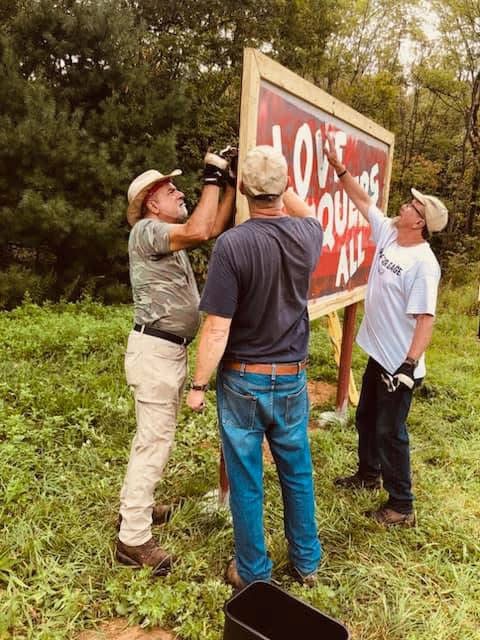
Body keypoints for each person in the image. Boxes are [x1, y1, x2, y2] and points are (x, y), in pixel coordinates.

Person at [187, 145, 323, 589]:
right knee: (297, 472)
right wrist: (282, 183)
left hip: (243, 378)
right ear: (285, 187)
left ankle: (252, 571)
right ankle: (307, 563)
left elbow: (216, 328)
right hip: (292, 377)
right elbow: (307, 212)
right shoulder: (308, 235)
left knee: (246, 479)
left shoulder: (233, 244)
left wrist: (198, 385)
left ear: (242, 188)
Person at [117, 149, 236, 575]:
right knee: (154, 443)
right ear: (152, 203)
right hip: (155, 352)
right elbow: (202, 229)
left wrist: (229, 187)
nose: (180, 192)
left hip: (166, 351)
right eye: (171, 190)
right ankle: (132, 538)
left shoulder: (170, 233)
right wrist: (211, 176)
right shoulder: (146, 230)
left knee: (153, 439)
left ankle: (138, 506)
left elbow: (213, 226)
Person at [324, 132, 448, 527]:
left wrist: (409, 366)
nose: (405, 205)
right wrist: (339, 168)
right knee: (366, 419)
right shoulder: (390, 234)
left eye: (413, 205)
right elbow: (363, 201)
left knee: (390, 431)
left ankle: (401, 505)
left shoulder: (423, 264)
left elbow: (425, 319)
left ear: (420, 222)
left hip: (399, 365)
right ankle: (368, 474)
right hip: (380, 354)